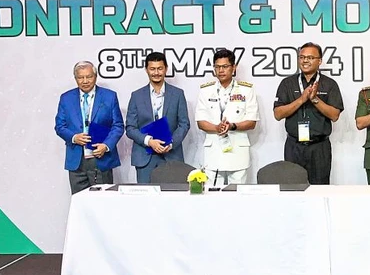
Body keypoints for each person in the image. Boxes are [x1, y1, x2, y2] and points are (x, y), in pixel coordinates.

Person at [273, 42, 343, 185]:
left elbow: (334, 115)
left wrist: (315, 99)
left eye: (310, 57)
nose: (305, 60)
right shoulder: (287, 83)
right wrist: (302, 99)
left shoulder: (329, 84)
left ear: (320, 61)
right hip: (294, 146)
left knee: (320, 189)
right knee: (292, 188)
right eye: (302, 57)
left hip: (319, 147)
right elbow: (278, 114)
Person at [54, 61, 124, 194]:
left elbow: (118, 125)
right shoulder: (66, 98)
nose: (85, 81)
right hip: (77, 162)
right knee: (79, 204)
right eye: (80, 77)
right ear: (75, 78)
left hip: (102, 159)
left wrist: (106, 145)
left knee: (104, 204)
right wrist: (74, 137)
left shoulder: (109, 96)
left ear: (95, 77)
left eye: (89, 76)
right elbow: (59, 126)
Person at [124, 52, 191, 183]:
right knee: (146, 201)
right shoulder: (136, 96)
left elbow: (184, 124)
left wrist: (171, 143)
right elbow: (130, 128)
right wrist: (149, 141)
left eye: (160, 68)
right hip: (144, 157)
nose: (156, 72)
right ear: (146, 70)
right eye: (152, 69)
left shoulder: (178, 94)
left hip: (171, 155)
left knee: (172, 200)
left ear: (166, 68)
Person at [195, 49, 259, 185]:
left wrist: (232, 126)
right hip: (213, 152)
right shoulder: (205, 90)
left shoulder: (246, 90)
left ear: (233, 67)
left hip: (238, 151)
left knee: (238, 196)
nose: (221, 70)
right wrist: (216, 127)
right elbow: (200, 122)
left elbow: (252, 122)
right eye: (217, 67)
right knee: (211, 195)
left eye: (225, 66)